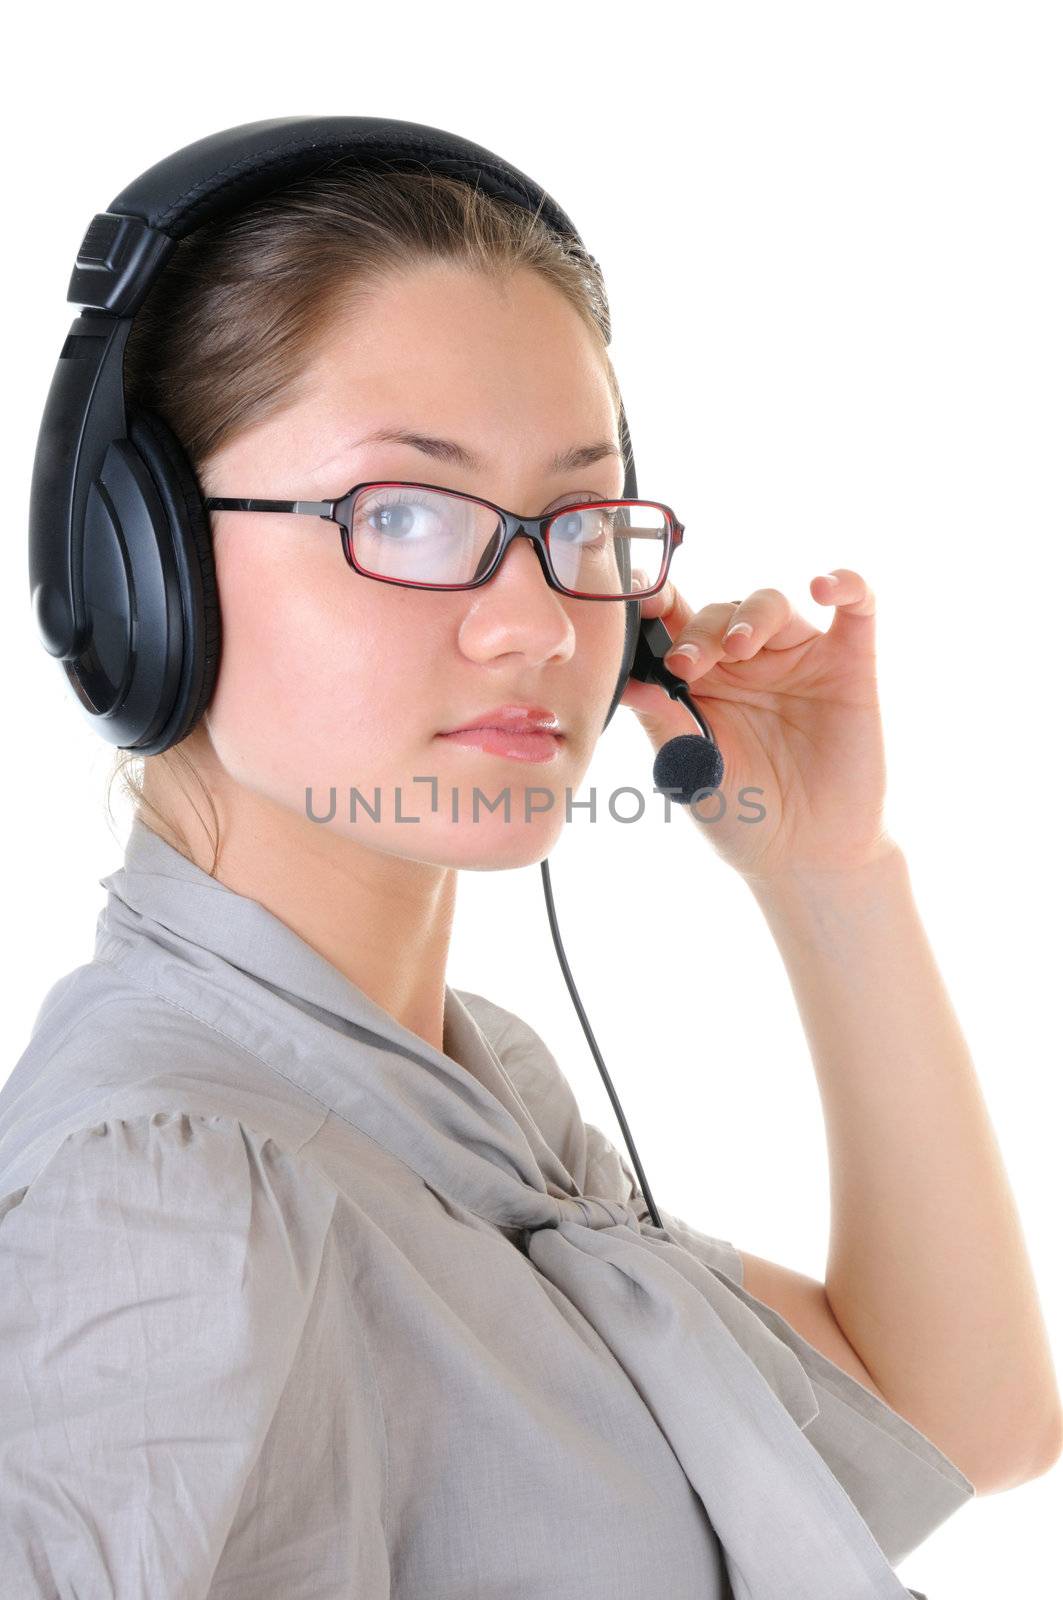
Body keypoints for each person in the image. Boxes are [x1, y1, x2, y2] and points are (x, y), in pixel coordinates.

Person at [1, 157, 1058, 1600]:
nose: (536, 624)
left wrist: (832, 876)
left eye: (576, 524)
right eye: (406, 513)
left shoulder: (466, 1092)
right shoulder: (175, 1195)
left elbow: (965, 1419)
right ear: (143, 572)